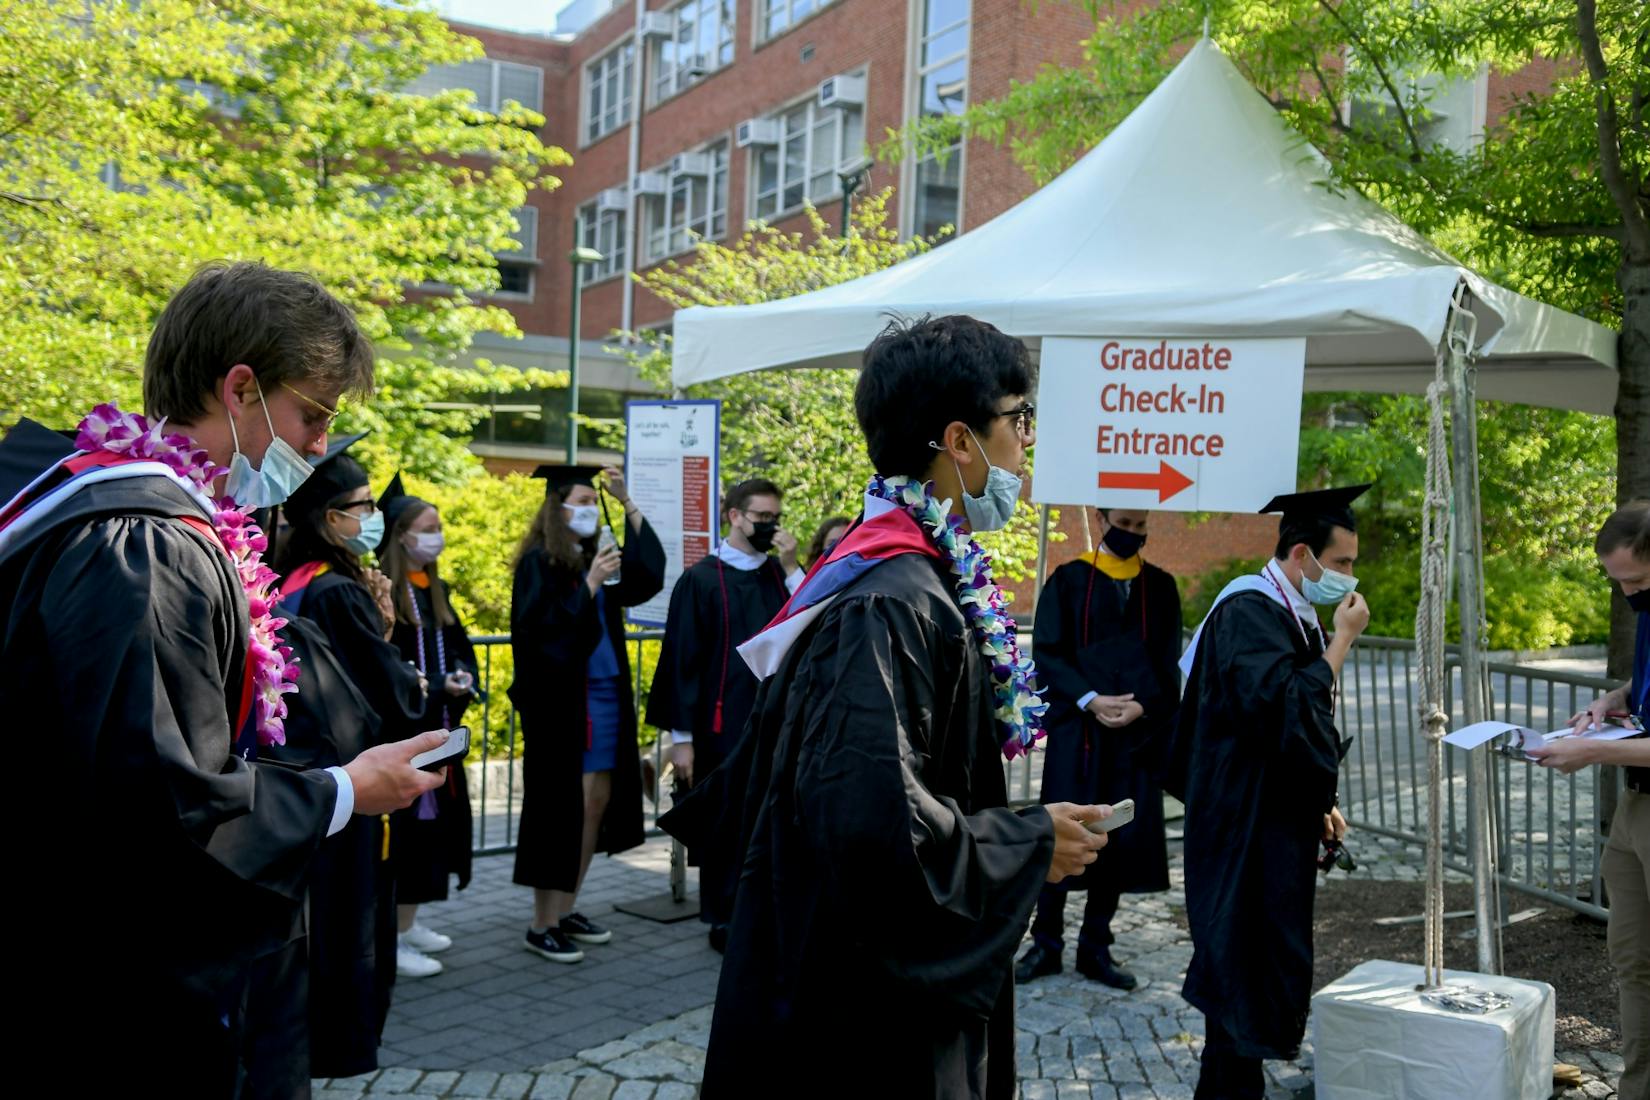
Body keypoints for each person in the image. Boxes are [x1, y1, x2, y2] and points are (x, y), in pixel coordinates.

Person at [0, 260, 447, 1096]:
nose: (318, 447)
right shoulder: (142, 544)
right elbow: (158, 804)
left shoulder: (94, 503)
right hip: (117, 994)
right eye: (312, 413)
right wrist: (343, 790)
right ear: (240, 388)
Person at [661, 314, 1112, 1099]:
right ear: (960, 440)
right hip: (863, 1010)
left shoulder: (907, 573)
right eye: (1018, 419)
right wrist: (1026, 842)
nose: (1026, 443)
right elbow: (868, 824)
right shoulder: (890, 601)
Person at [1168, 485, 1371, 1100]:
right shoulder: (1248, 610)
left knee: (1254, 972)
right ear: (1302, 553)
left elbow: (1293, 737)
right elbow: (1283, 709)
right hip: (1239, 830)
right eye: (1341, 564)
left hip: (1269, 822)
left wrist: (1319, 804)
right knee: (1238, 973)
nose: (1348, 578)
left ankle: (1236, 1087)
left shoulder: (1288, 610)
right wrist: (1341, 642)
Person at [275, 435, 428, 1077]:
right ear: (328, 515)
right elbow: (390, 699)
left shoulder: (294, 578)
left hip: (311, 780)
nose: (372, 518)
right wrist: (397, 652)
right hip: (352, 788)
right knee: (349, 932)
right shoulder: (338, 590)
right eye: (361, 506)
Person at [1017, 507, 1181, 990]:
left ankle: (1096, 945)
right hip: (1079, 735)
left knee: (1117, 834)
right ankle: (1045, 943)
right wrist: (1089, 699)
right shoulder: (1068, 580)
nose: (1132, 534)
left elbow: (1167, 662)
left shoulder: (1161, 587)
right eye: (1124, 524)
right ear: (1102, 518)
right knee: (1065, 828)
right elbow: (1047, 652)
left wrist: (1143, 707)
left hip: (1133, 737)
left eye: (1140, 526)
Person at [510, 465, 665, 964]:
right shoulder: (540, 562)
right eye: (582, 499)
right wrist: (592, 585)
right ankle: (542, 921)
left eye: (592, 501)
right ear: (556, 506)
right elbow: (542, 634)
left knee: (595, 803)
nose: (589, 508)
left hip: (603, 693)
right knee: (561, 809)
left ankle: (568, 906)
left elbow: (647, 577)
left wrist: (628, 504)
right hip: (561, 702)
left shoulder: (590, 555)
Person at [646, 477, 804, 950]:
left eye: (775, 518)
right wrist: (682, 737)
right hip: (722, 725)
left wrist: (795, 566)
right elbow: (682, 659)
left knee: (770, 819)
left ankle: (764, 913)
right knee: (726, 820)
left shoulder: (780, 575)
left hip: (776, 721)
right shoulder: (700, 580)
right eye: (761, 518)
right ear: (735, 516)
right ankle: (722, 917)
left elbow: (811, 619)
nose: (769, 526)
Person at [1528, 500, 1650, 1100]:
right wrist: (1613, 702)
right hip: (1635, 809)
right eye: (1618, 580)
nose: (1628, 592)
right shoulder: (1649, 607)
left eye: (1636, 579)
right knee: (1632, 960)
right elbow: (1646, 687)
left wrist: (1593, 752)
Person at [376, 474, 478, 977]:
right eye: (427, 527)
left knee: (430, 836)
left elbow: (459, 646)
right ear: (400, 534)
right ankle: (390, 936)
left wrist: (462, 677)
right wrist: (438, 684)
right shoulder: (384, 591)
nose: (436, 536)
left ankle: (408, 924)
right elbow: (389, 669)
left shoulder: (432, 588)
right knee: (406, 839)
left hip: (436, 733)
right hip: (401, 736)